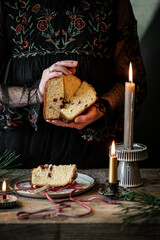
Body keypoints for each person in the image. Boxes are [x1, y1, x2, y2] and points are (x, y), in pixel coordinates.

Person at [0, 0, 146, 169]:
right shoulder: (7, 5)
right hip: (23, 158)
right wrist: (36, 94)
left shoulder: (114, 4)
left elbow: (131, 82)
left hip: (96, 158)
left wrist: (101, 107)